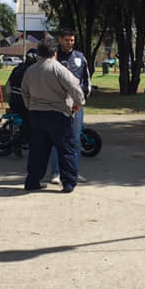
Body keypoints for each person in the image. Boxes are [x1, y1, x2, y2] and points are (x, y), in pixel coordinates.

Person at [21, 36, 85, 193]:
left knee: (37, 151)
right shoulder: (59, 69)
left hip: (36, 114)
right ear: (55, 52)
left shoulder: (30, 70)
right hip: (58, 114)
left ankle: (32, 181)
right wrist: (78, 103)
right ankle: (68, 183)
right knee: (66, 150)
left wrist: (30, 106)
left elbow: (24, 92)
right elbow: (75, 86)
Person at [48, 28, 92, 184]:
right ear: (60, 40)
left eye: (72, 40)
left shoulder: (80, 57)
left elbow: (86, 81)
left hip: (76, 106)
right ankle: (56, 172)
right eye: (67, 40)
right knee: (57, 139)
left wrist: (81, 101)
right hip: (58, 105)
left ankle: (73, 172)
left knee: (75, 140)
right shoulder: (53, 58)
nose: (69, 43)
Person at [5, 49, 38, 156]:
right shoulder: (31, 70)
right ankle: (17, 143)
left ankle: (25, 140)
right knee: (29, 123)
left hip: (14, 100)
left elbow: (8, 87)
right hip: (21, 101)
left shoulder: (18, 68)